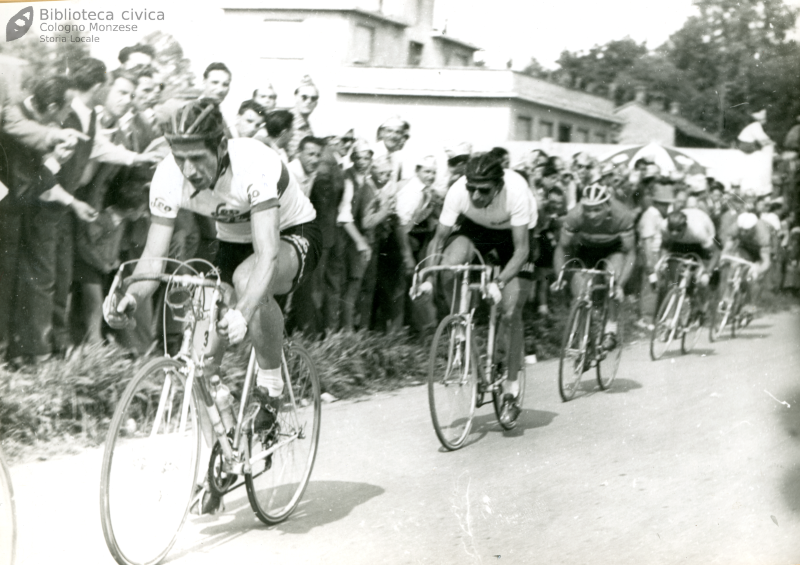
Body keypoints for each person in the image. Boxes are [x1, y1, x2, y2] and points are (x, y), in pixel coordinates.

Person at [104, 99, 320, 459]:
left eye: (197, 158)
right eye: (179, 157)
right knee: (200, 357)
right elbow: (153, 259)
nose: (188, 169)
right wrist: (132, 296)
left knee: (248, 277)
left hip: (291, 234)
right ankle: (222, 456)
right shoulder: (167, 176)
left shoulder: (253, 163)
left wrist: (243, 311)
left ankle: (270, 389)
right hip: (232, 242)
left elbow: (266, 255)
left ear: (220, 146)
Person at [421, 152, 536, 425]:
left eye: (483, 190)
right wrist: (428, 277)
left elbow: (522, 251)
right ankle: (460, 326)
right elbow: (438, 241)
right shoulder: (459, 191)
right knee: (450, 263)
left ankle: (510, 388)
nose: (475, 195)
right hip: (476, 229)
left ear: (498, 185)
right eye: (471, 188)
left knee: (510, 310)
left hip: (515, 237)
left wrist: (498, 283)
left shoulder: (516, 192)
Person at [553, 182, 637, 356]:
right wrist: (559, 277)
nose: (591, 215)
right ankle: (585, 339)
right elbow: (562, 248)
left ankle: (611, 329)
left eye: (597, 209)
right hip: (586, 248)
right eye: (588, 209)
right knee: (579, 294)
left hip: (613, 249)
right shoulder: (574, 215)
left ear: (607, 205)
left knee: (611, 279)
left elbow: (630, 254)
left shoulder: (622, 215)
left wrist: (620, 285)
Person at [655, 208, 720, 321]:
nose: (674, 233)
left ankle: (702, 306)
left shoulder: (698, 231)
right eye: (672, 230)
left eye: (678, 230)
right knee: (674, 278)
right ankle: (675, 310)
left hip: (700, 243)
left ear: (685, 226)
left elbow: (716, 253)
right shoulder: (664, 226)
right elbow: (665, 247)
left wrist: (707, 272)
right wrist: (661, 262)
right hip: (679, 245)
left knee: (702, 280)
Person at [720, 212, 772, 315]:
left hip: (760, 251)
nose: (743, 233)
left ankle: (752, 305)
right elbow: (729, 243)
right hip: (745, 247)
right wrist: (724, 255)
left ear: (753, 228)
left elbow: (766, 261)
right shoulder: (737, 226)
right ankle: (727, 298)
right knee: (734, 266)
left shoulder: (762, 234)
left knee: (754, 277)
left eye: (746, 231)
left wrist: (758, 269)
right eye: (741, 230)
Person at [286, 75, 318, 160]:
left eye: (313, 98)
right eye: (304, 97)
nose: (308, 101)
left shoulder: (307, 126)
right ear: (296, 97)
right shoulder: (286, 121)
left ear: (316, 103)